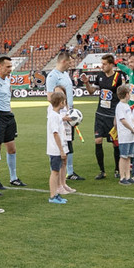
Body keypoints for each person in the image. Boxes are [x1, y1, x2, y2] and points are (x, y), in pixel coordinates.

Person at [80, 53, 128, 180]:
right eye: (102, 63)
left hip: (112, 115)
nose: (102, 66)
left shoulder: (118, 77)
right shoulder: (100, 76)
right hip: (100, 114)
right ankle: (102, 171)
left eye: (105, 64)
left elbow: (123, 94)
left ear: (111, 64)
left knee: (115, 143)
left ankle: (117, 169)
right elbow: (91, 91)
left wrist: (118, 115)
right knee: (98, 140)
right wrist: (86, 83)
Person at [0, 56, 26, 188]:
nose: (10, 69)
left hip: (8, 115)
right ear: (0, 66)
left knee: (12, 148)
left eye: (11, 66)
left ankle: (13, 177)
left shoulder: (7, 80)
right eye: (8, 66)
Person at [46, 51, 83, 181]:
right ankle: (57, 172)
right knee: (59, 142)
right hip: (59, 113)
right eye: (69, 62)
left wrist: (69, 111)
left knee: (68, 142)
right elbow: (50, 97)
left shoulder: (66, 74)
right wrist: (61, 113)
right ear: (63, 61)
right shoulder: (52, 76)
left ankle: (70, 172)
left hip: (67, 111)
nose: (71, 64)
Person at [115, 83, 134, 185]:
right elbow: (123, 120)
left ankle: (128, 176)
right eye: (129, 93)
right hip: (125, 135)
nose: (130, 95)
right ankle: (122, 177)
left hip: (131, 135)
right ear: (126, 94)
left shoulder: (127, 106)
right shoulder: (120, 106)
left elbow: (131, 118)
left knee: (129, 156)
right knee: (123, 156)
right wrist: (132, 129)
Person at [47, 90, 69, 204]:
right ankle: (52, 196)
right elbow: (55, 134)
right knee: (55, 172)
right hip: (55, 149)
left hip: (57, 149)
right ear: (61, 103)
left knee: (56, 171)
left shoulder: (56, 115)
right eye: (64, 101)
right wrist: (61, 150)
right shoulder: (54, 116)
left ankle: (56, 194)